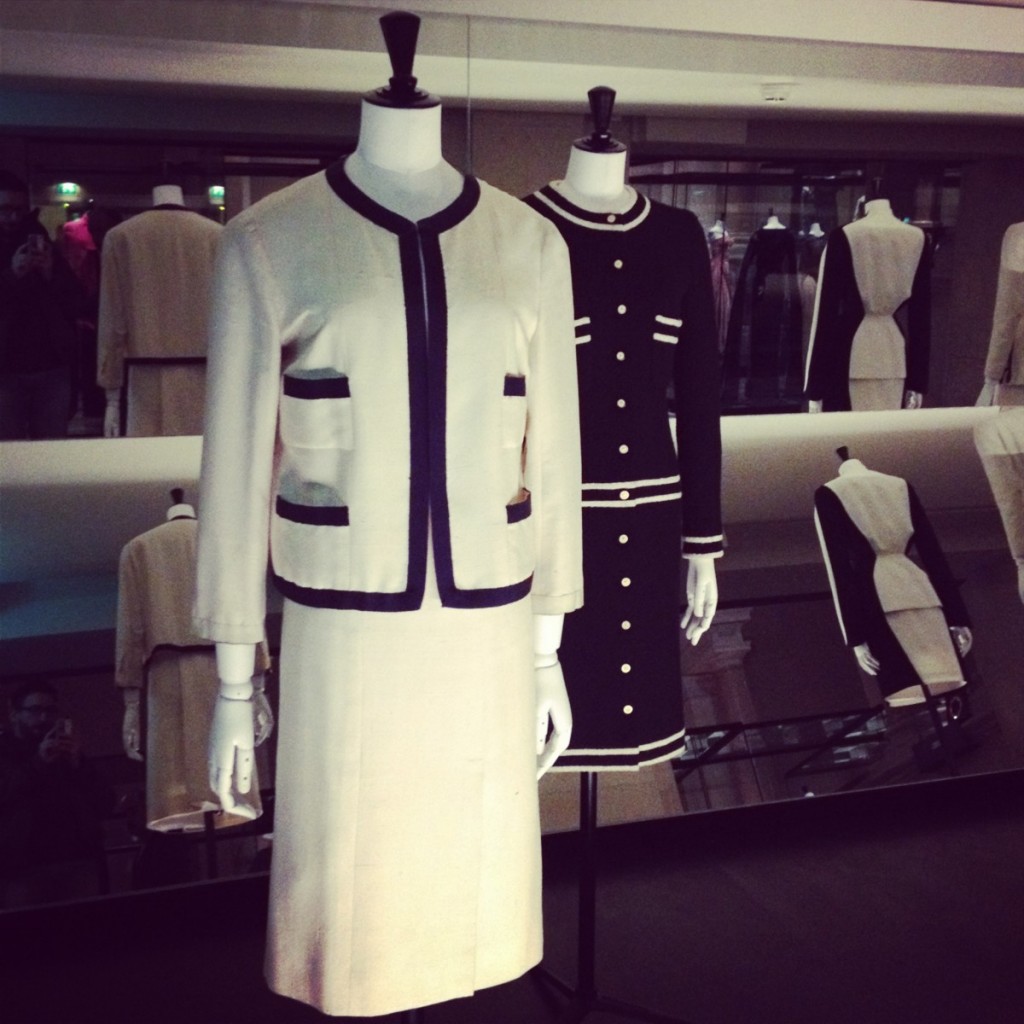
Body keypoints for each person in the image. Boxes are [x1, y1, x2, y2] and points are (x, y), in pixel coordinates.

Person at [0, 679, 115, 908]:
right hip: (24, 867)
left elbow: (105, 803)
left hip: (78, 861)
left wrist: (78, 765)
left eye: (50, 710)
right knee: (27, 929)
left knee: (85, 927)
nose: (43, 718)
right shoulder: (5, 752)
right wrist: (39, 763)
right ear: (14, 714)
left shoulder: (67, 752)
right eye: (35, 710)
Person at [0, 170, 84, 439]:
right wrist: (12, 274)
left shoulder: (42, 241)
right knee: (8, 452)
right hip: (6, 368)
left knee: (50, 449)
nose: (13, 218)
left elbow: (76, 300)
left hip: (51, 365)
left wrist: (50, 273)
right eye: (5, 210)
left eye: (19, 210)